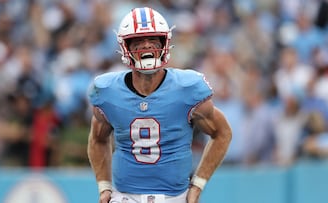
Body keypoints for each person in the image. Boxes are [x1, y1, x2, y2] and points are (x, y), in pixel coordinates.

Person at [87, 7, 232, 203]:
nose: (147, 46)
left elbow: (222, 133)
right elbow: (97, 139)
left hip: (175, 197)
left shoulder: (187, 88)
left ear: (165, 43)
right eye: (138, 41)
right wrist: (104, 186)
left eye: (153, 40)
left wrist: (198, 184)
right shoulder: (108, 91)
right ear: (125, 47)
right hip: (125, 197)